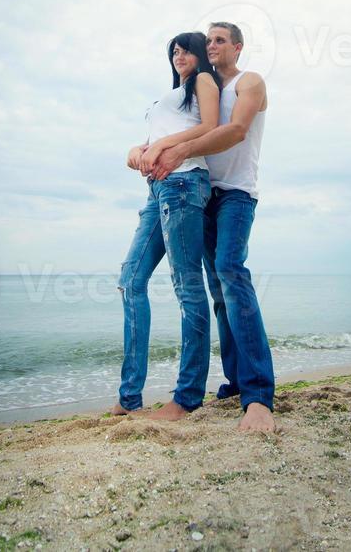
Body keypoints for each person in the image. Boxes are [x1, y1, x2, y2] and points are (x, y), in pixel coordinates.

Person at [149, 22, 276, 434]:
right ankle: (237, 382)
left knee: (231, 273)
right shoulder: (201, 91)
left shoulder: (248, 82)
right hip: (203, 194)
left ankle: (258, 396)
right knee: (219, 291)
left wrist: (181, 149)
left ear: (238, 47)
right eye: (208, 41)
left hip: (236, 194)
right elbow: (169, 127)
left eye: (220, 40)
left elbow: (237, 130)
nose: (212, 45)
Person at [112, 32, 222, 420]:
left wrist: (160, 147)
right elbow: (152, 140)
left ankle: (188, 396)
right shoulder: (169, 98)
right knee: (130, 280)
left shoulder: (204, 81)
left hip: (185, 184)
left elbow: (210, 126)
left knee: (187, 287)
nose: (178, 55)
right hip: (157, 190)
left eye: (185, 49)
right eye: (173, 51)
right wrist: (138, 148)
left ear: (198, 54)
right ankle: (129, 398)